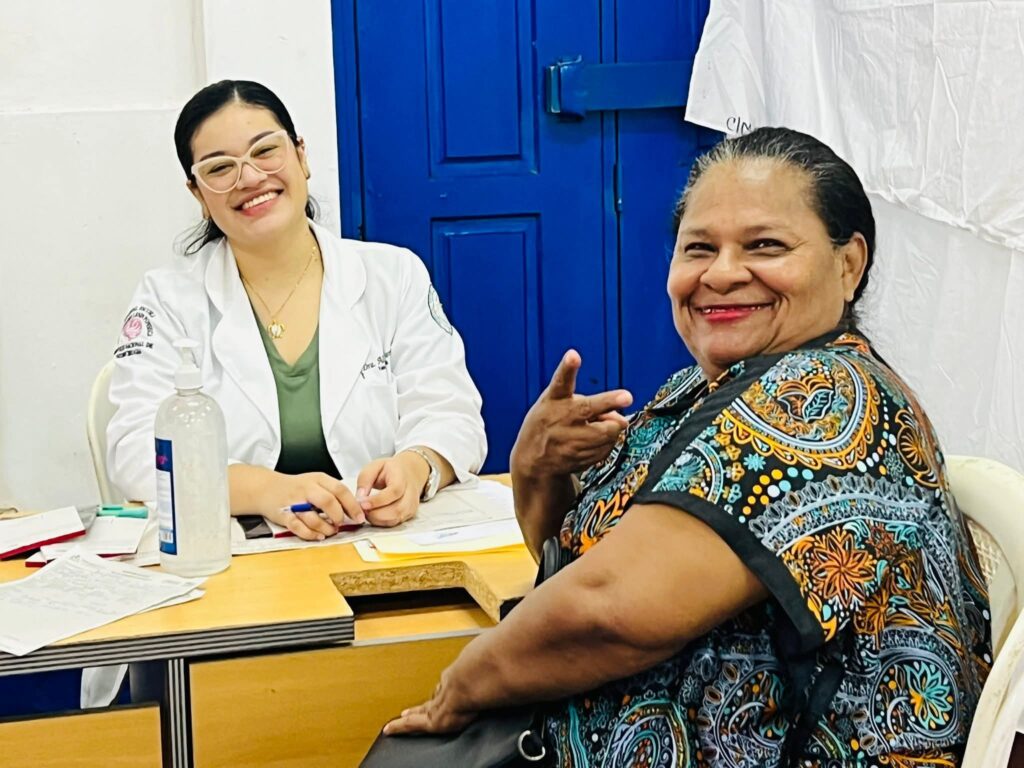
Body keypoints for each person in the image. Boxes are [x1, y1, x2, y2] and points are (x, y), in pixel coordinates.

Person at [379, 128, 992, 766]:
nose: (721, 274)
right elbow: (578, 568)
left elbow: (607, 608)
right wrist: (537, 470)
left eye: (765, 245)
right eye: (699, 248)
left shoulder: (821, 401)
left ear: (848, 264)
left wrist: (462, 686)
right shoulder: (701, 389)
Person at [106, 80, 486, 538]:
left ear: (301, 156)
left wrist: (417, 465)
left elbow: (452, 411)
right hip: (239, 556)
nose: (250, 178)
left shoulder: (393, 274)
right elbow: (135, 450)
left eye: (265, 151)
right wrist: (265, 490)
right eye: (220, 168)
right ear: (198, 195)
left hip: (385, 542)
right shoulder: (167, 300)